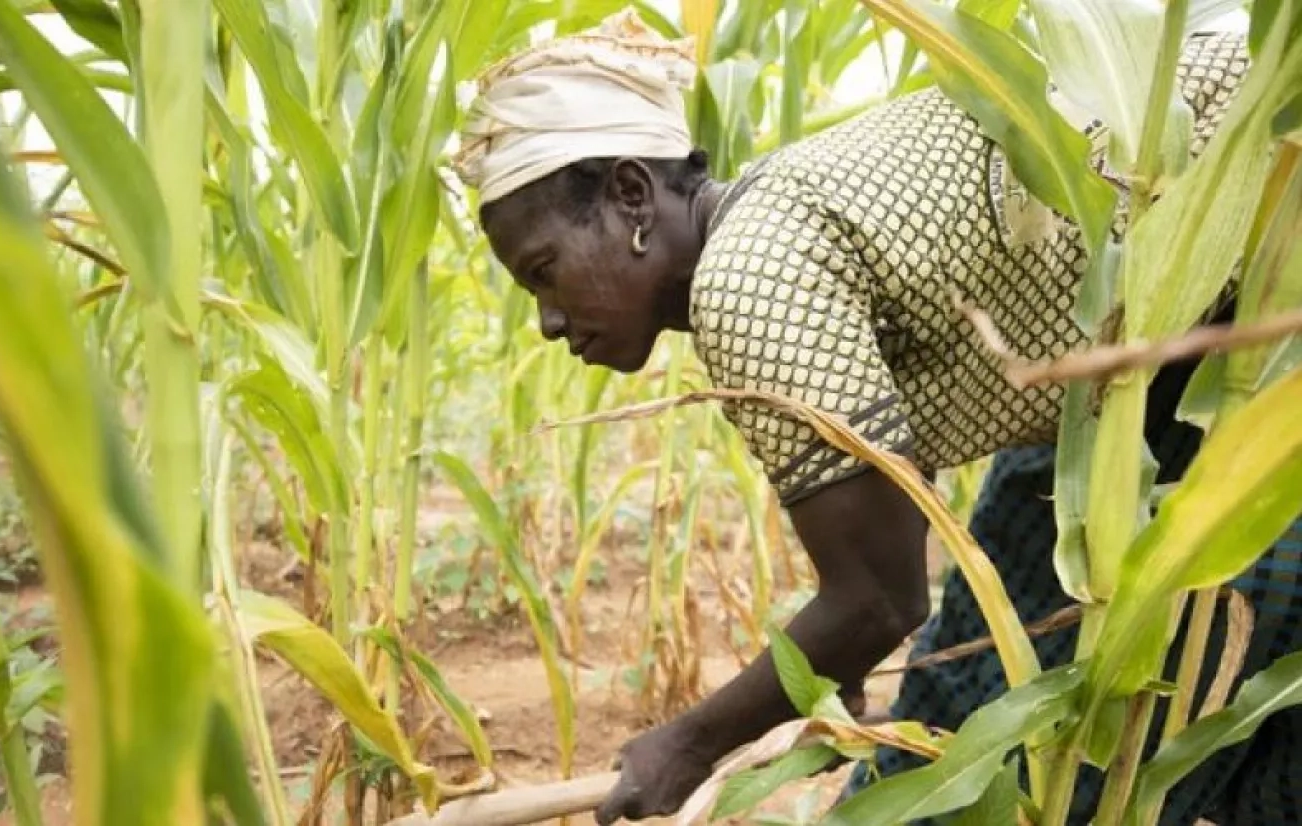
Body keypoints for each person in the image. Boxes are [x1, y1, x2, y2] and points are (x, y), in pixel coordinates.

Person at [452, 8, 1297, 824]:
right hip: (1131, 398)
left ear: (633, 198)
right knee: (1033, 727)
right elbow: (874, 573)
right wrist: (821, 679)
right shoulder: (773, 235)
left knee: (1073, 757)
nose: (550, 321)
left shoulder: (748, 279)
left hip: (1250, 335)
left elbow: (878, 603)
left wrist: (687, 744)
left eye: (544, 272)